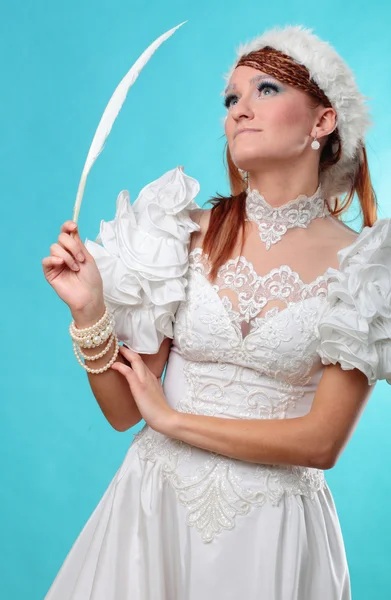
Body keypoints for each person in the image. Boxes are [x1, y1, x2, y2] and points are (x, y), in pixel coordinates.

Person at [42, 24, 391, 600]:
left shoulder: (366, 267)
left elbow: (321, 443)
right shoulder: (179, 233)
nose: (239, 111)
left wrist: (175, 422)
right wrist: (90, 311)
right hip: (152, 512)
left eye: (265, 91)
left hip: (272, 532)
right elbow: (124, 412)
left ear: (323, 121)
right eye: (231, 99)